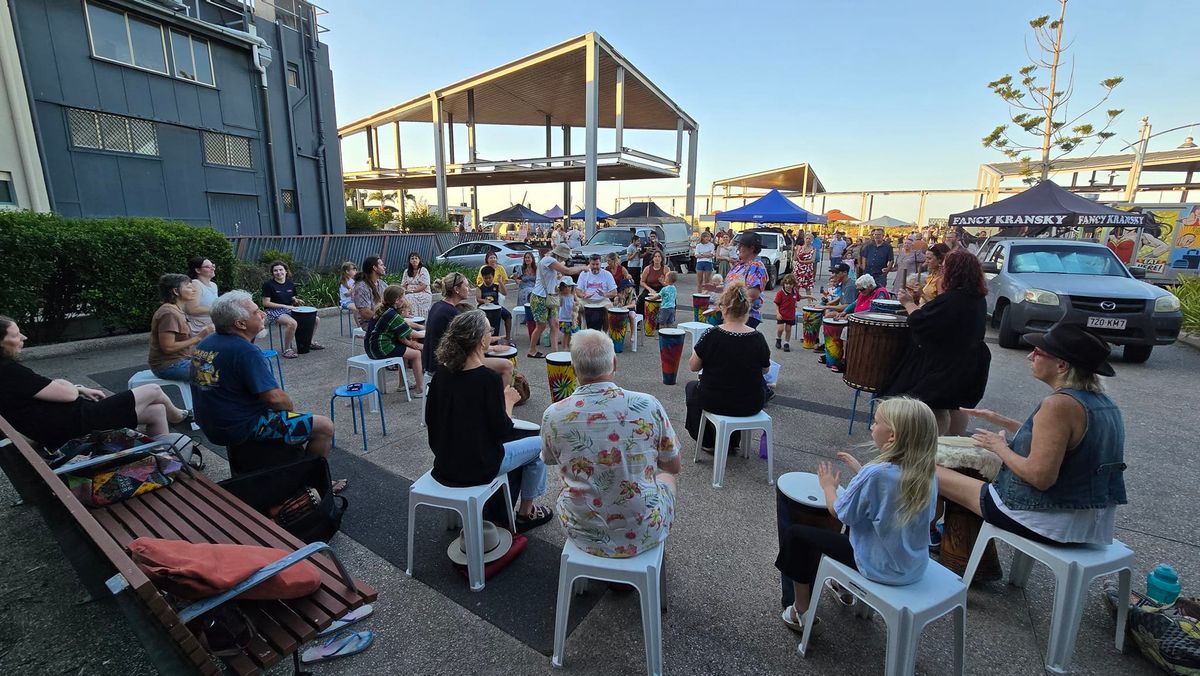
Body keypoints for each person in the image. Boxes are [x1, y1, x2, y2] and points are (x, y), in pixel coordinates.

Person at [935, 324, 1125, 545]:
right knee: (966, 478)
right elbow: (1060, 441)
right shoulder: (1103, 403)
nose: (1029, 356)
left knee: (923, 468)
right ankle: (961, 548)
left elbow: (1040, 478)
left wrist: (999, 447)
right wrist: (999, 419)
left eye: (1038, 352)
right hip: (1089, 525)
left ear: (1062, 365)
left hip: (1045, 522)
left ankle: (923, 539)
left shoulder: (1058, 405)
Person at [776, 397, 940, 633]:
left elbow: (839, 512)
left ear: (892, 436)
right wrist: (861, 471)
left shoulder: (876, 474)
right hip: (911, 566)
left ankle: (800, 609)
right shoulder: (927, 473)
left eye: (876, 422)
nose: (872, 427)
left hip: (878, 567)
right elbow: (891, 498)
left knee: (796, 535)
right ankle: (843, 588)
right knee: (862, 519)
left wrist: (828, 486)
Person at [541, 329, 680, 557]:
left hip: (583, 531)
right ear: (614, 363)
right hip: (644, 527)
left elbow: (549, 459)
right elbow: (673, 466)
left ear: (574, 369)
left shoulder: (553, 415)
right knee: (666, 477)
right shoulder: (648, 405)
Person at [425, 311, 554, 531]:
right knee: (541, 444)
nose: (491, 334)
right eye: (489, 331)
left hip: (444, 465)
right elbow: (503, 431)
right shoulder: (488, 380)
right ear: (481, 339)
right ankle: (526, 513)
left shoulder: (442, 375)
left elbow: (431, 420)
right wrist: (509, 401)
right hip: (478, 468)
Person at [0, 315, 192, 449]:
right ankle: (178, 416)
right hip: (75, 425)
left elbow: (46, 389)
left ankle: (164, 461)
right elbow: (67, 394)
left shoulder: (7, 371)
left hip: (65, 422)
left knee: (157, 410)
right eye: (16, 335)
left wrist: (77, 388)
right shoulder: (9, 371)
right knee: (153, 390)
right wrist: (70, 387)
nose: (23, 337)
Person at [191, 291, 334, 457]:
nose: (263, 314)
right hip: (240, 426)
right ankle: (314, 480)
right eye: (256, 312)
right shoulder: (244, 351)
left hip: (211, 423)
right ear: (240, 324)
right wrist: (288, 411)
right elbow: (276, 399)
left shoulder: (208, 341)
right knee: (324, 427)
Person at [883, 250, 992, 435]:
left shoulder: (954, 299)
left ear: (954, 272)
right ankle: (953, 443)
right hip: (969, 361)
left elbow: (922, 321)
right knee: (956, 405)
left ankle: (935, 448)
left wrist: (908, 303)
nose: (942, 271)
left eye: (945, 268)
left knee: (936, 406)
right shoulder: (975, 297)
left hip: (947, 365)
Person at [685, 283, 771, 452]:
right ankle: (732, 442)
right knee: (737, 388)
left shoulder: (712, 335)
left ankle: (708, 441)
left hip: (716, 401)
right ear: (746, 310)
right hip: (751, 403)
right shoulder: (758, 337)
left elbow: (693, 366)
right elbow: (765, 369)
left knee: (692, 388)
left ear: (723, 309)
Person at [423, 272, 513, 382]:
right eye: (466, 286)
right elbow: (468, 347)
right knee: (506, 366)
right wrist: (493, 348)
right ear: (456, 289)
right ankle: (505, 398)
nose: (469, 289)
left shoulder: (438, 306)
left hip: (433, 363)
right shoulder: (452, 314)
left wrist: (493, 340)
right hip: (445, 366)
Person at [150, 274, 214, 380]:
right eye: (189, 287)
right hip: (168, 366)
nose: (193, 290)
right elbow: (168, 347)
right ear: (175, 291)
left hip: (181, 361)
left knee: (223, 359)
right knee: (221, 373)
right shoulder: (169, 313)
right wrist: (199, 336)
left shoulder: (177, 310)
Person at [365, 285, 425, 397]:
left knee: (406, 351)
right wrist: (426, 332)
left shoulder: (385, 310)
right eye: (403, 297)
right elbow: (410, 333)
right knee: (416, 354)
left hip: (371, 347)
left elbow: (403, 326)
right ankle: (420, 390)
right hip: (380, 348)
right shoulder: (392, 315)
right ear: (397, 300)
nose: (405, 299)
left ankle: (402, 384)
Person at [529, 244, 586, 357]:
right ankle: (532, 350)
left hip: (552, 296)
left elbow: (557, 274)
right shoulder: (548, 260)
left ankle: (555, 353)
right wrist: (582, 268)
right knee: (541, 326)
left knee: (555, 324)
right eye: (565, 256)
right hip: (540, 297)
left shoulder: (552, 261)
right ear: (560, 254)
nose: (566, 259)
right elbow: (568, 270)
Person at [261, 261, 323, 358]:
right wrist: (285, 306)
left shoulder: (290, 284)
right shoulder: (268, 285)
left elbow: (291, 298)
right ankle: (287, 350)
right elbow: (266, 303)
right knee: (292, 323)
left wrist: (296, 300)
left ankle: (309, 342)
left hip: (289, 309)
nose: (278, 272)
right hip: (273, 311)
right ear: (272, 273)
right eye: (275, 271)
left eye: (281, 270)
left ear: (286, 271)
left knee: (315, 319)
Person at [724, 231, 769, 328]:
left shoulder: (756, 266)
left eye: (741, 246)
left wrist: (729, 301)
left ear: (751, 248)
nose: (738, 248)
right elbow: (731, 286)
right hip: (732, 313)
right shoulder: (740, 264)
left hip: (745, 316)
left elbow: (753, 294)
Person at [773, 274, 812, 352]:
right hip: (782, 314)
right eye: (786, 284)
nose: (788, 286)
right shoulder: (780, 293)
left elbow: (799, 297)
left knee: (788, 329)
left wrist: (809, 296)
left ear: (793, 284)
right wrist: (777, 313)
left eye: (790, 284)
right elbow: (776, 304)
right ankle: (778, 339)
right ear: (783, 283)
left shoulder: (795, 292)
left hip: (790, 315)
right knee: (780, 329)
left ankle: (786, 343)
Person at [476, 266, 513, 344]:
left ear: (493, 276)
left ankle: (508, 337)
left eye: (490, 278)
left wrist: (500, 282)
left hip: (496, 306)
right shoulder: (480, 287)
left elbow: (505, 293)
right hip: (483, 307)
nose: (488, 280)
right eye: (486, 278)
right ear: (483, 277)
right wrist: (484, 301)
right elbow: (478, 299)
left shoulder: (496, 286)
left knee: (508, 315)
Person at [185, 256, 219, 335]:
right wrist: (217, 309)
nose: (213, 268)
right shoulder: (195, 284)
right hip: (197, 328)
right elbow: (191, 309)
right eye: (208, 267)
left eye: (213, 266)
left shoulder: (213, 285)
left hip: (211, 326)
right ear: (197, 270)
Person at [353, 255, 388, 330]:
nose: (384, 267)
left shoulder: (382, 284)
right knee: (400, 330)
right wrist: (387, 319)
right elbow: (365, 313)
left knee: (411, 325)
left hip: (383, 319)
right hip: (370, 323)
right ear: (374, 268)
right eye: (381, 265)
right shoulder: (361, 287)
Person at [638, 250, 668, 316]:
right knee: (640, 299)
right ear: (653, 258)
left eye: (659, 256)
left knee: (670, 299)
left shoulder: (665, 269)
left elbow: (669, 284)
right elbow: (642, 282)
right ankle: (641, 318)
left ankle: (666, 318)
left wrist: (662, 282)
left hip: (661, 288)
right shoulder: (647, 268)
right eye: (655, 256)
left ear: (662, 259)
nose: (657, 258)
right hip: (649, 288)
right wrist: (649, 289)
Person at [402, 253, 433, 317]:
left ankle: (414, 317)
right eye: (412, 258)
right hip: (408, 293)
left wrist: (412, 291)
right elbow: (403, 285)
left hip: (423, 293)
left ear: (419, 260)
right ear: (409, 261)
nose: (414, 260)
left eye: (416, 258)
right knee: (402, 298)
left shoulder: (423, 270)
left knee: (409, 297)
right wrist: (405, 291)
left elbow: (424, 285)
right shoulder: (406, 271)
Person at [557, 278, 577, 349]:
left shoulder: (572, 296)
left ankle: (568, 346)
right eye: (565, 287)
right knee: (566, 333)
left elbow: (577, 303)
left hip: (572, 318)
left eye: (569, 286)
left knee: (570, 333)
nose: (568, 288)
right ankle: (564, 347)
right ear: (562, 288)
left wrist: (576, 304)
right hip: (564, 318)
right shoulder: (562, 297)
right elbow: (559, 305)